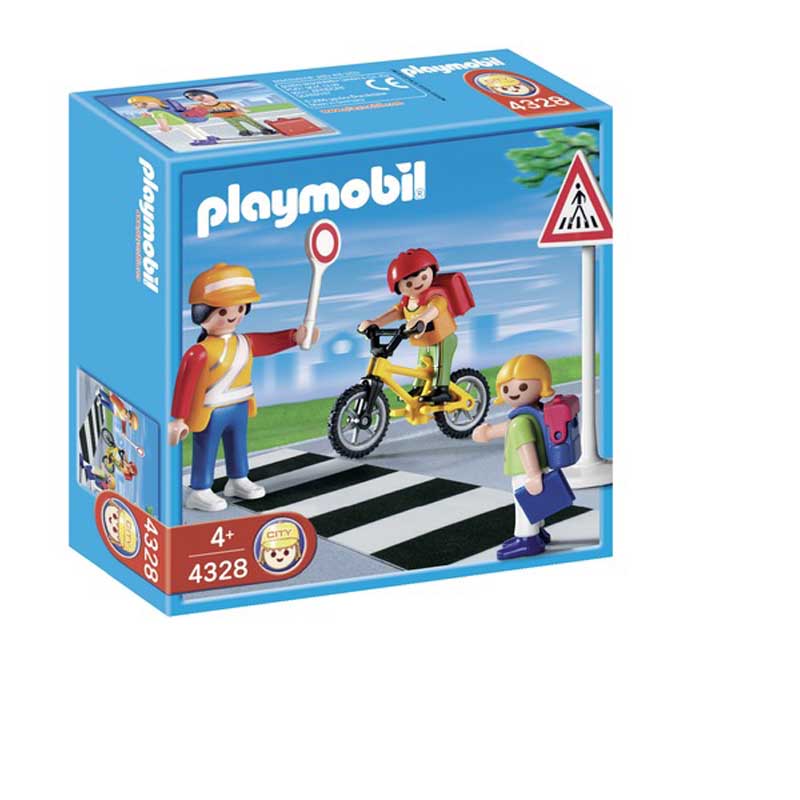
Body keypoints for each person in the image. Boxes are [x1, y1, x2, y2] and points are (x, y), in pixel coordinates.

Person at [169, 262, 319, 512]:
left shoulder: (244, 342)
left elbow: (270, 342)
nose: (233, 315)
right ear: (202, 312)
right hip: (210, 410)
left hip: (239, 406)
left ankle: (238, 479)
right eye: (223, 310)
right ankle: (200, 489)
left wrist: (295, 336)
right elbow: (185, 384)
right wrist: (179, 419)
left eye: (240, 308)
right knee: (206, 448)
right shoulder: (200, 351)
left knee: (237, 444)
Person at [471, 354, 555, 559]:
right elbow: (509, 427)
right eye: (506, 389)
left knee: (524, 504)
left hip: (525, 470)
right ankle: (539, 532)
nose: (513, 393)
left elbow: (525, 445)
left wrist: (533, 474)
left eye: (523, 387)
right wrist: (488, 432)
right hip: (540, 464)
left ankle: (527, 540)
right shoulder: (536, 411)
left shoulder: (520, 421)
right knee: (537, 502)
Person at [359, 248, 457, 405]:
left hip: (442, 338)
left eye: (423, 277)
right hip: (424, 340)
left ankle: (442, 389)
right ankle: (419, 387)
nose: (417, 283)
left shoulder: (435, 296)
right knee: (422, 366)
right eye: (409, 283)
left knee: (439, 365)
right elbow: (396, 312)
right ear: (399, 287)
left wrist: (422, 319)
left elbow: (435, 309)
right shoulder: (408, 302)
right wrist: (375, 323)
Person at [182, 89, 276, 137]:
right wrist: (189, 108)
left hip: (237, 115)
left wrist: (241, 109)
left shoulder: (225, 103)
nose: (193, 98)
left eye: (193, 96)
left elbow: (235, 105)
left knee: (251, 122)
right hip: (226, 117)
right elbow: (194, 108)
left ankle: (264, 129)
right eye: (191, 98)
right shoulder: (201, 106)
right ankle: (244, 131)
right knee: (236, 125)